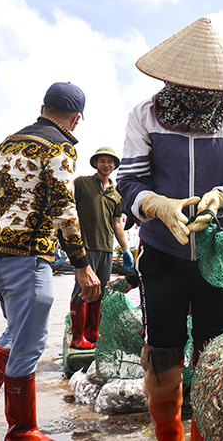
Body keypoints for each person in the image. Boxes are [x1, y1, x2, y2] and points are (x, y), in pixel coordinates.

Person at [115, 17, 223, 441]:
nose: (199, 92)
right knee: (162, 349)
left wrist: (222, 198)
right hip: (162, 253)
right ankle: (167, 432)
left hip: (218, 256)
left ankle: (204, 432)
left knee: (213, 350)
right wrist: (155, 205)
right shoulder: (145, 114)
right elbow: (129, 182)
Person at [0, 82, 101, 441]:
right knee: (31, 342)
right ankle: (22, 430)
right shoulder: (60, 145)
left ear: (43, 106)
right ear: (76, 119)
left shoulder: (8, 142)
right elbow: (64, 209)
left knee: (16, 332)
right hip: (28, 257)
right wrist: (82, 263)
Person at [69, 147, 134, 349]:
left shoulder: (117, 194)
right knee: (82, 289)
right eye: (102, 161)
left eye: (110, 162)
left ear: (114, 166)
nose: (106, 165)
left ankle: (92, 332)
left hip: (106, 248)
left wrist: (125, 249)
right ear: (95, 163)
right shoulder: (81, 183)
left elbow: (117, 223)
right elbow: (67, 211)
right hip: (84, 247)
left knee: (100, 291)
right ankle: (77, 336)